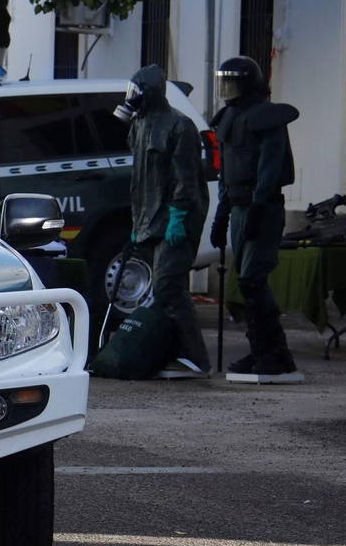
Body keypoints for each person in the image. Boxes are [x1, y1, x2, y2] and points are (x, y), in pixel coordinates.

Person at [208, 55, 300, 377]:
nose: (226, 89)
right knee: (246, 283)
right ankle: (260, 350)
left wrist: (259, 207)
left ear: (247, 84)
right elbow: (226, 174)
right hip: (237, 208)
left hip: (262, 208)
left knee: (253, 280)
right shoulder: (229, 118)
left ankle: (278, 354)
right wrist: (221, 215)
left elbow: (269, 167)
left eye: (232, 82)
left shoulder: (267, 117)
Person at [123, 64, 210, 373]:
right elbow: (139, 180)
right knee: (164, 292)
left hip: (177, 219)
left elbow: (186, 178)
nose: (132, 97)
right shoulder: (139, 124)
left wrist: (179, 216)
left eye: (138, 92)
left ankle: (195, 359)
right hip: (151, 221)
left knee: (167, 286)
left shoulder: (180, 126)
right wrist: (138, 223)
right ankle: (172, 353)